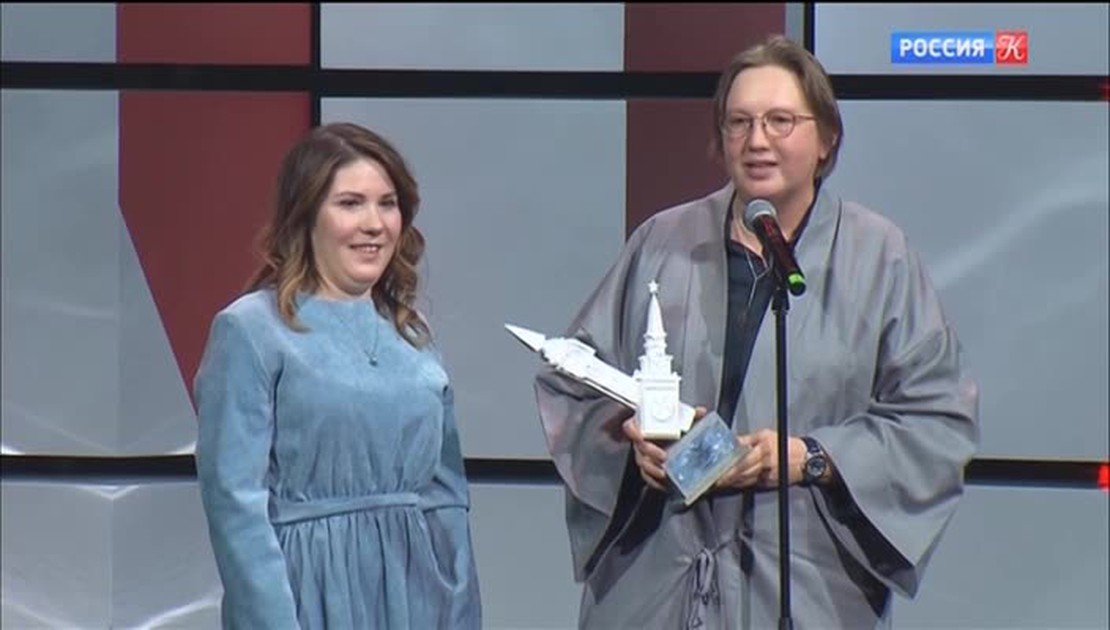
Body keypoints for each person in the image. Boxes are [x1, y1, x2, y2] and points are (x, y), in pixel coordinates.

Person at [533, 34, 979, 629]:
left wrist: (809, 457)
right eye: (739, 122)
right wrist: (631, 442)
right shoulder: (662, 242)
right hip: (657, 582)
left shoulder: (879, 258)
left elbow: (936, 420)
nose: (757, 140)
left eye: (780, 121)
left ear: (827, 139)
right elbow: (573, 379)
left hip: (804, 585)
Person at [194, 122, 481, 629]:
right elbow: (235, 504)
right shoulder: (251, 330)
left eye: (387, 204)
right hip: (308, 595)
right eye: (350, 203)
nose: (374, 224)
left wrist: (460, 616)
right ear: (306, 215)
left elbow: (448, 500)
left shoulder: (412, 335)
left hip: (416, 598)